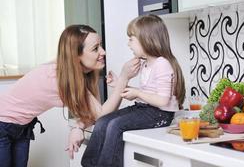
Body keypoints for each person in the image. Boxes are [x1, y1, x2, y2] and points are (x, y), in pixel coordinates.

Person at [0, 24, 140, 167]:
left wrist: (78, 127)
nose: (103, 52)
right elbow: (100, 114)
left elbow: (94, 114)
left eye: (101, 46)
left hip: (22, 127)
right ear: (76, 56)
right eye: (95, 48)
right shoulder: (58, 78)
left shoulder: (80, 74)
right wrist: (123, 78)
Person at [81, 14, 186, 167]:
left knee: (115, 125)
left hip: (160, 114)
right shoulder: (146, 64)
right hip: (145, 109)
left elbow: (162, 100)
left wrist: (137, 93)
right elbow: (146, 95)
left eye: (131, 39)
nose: (128, 44)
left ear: (146, 39)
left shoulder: (162, 64)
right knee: (103, 121)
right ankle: (88, 164)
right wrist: (120, 84)